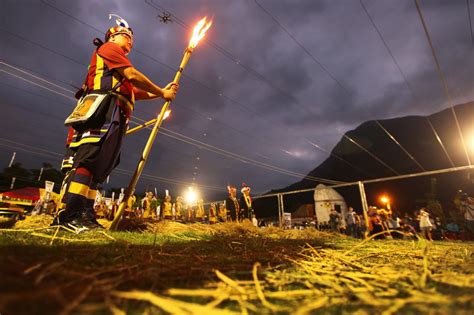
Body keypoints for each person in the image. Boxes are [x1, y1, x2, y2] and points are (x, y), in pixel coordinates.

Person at [54, 16, 178, 232]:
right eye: (126, 35)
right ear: (112, 36)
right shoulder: (109, 49)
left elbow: (135, 91)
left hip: (115, 114)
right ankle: (70, 214)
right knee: (89, 159)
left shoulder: (118, 65)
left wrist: (160, 94)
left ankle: (85, 213)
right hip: (100, 110)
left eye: (132, 38)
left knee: (100, 167)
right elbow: (132, 75)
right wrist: (161, 91)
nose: (130, 40)